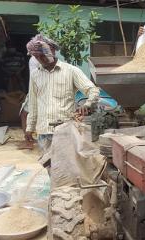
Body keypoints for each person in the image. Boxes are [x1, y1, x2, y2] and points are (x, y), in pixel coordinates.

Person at [25, 34, 100, 162]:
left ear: (52, 51)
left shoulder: (71, 71)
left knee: (67, 167)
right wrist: (29, 128)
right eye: (36, 57)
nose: (40, 59)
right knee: (49, 166)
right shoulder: (35, 75)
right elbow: (33, 103)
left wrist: (87, 105)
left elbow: (92, 90)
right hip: (43, 131)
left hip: (65, 130)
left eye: (42, 55)